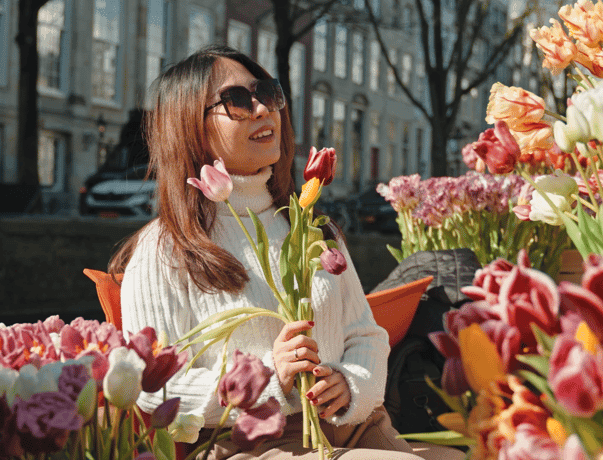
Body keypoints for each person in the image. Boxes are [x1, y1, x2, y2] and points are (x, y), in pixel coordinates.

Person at [109, 44, 463, 460]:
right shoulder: (165, 250)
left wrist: (349, 383)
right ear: (190, 127)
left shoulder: (311, 225)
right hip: (254, 442)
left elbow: (365, 334)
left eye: (266, 92)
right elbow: (154, 388)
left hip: (355, 426)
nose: (262, 109)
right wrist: (268, 378)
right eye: (236, 101)